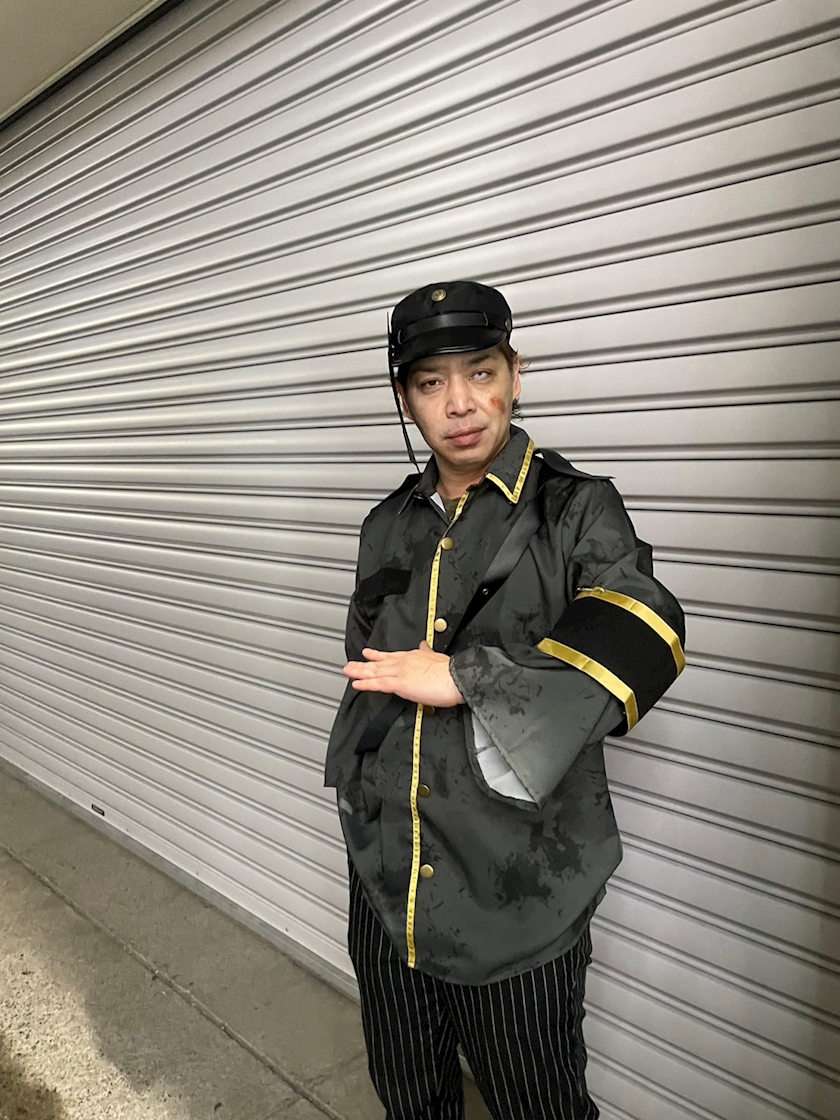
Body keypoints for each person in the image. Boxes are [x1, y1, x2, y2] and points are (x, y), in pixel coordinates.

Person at [324, 280, 685, 1120]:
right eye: (431, 382)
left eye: (480, 373)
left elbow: (648, 629)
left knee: (538, 1106)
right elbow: (368, 670)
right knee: (410, 1095)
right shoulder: (387, 524)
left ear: (515, 376)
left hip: (518, 896)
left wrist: (466, 677)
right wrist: (358, 794)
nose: (460, 404)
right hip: (388, 884)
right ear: (406, 399)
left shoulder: (576, 510)